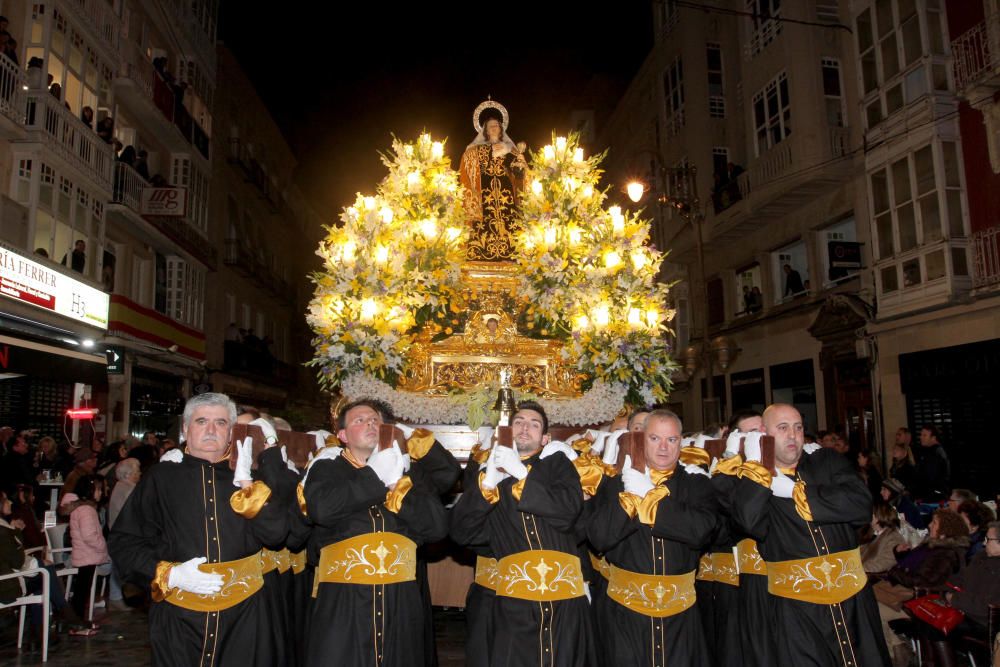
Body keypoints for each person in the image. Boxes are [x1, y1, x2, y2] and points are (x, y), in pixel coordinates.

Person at [110, 392, 295, 666]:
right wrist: (168, 574)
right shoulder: (161, 477)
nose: (211, 430)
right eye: (201, 421)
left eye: (220, 422)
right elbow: (124, 542)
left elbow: (278, 534)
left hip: (246, 613)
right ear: (185, 428)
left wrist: (248, 484)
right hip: (179, 614)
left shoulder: (251, 477)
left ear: (231, 431)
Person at [728, 403, 889, 666]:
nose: (792, 435)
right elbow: (748, 521)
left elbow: (860, 504)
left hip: (854, 601)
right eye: (782, 428)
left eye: (798, 427)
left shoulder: (826, 461)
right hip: (796, 611)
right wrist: (760, 467)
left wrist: (794, 492)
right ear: (763, 434)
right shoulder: (752, 481)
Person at [301, 398, 449, 666]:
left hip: (400, 598)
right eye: (360, 420)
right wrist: (373, 475)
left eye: (375, 420)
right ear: (343, 435)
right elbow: (322, 509)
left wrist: (396, 484)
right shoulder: (327, 467)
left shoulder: (406, 472)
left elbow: (437, 527)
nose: (370, 423)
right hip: (344, 598)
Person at [451, 400, 594, 666]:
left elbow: (568, 513)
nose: (525, 428)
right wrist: (488, 486)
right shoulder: (490, 474)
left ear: (545, 438)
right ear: (506, 431)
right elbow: (462, 532)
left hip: (566, 601)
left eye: (534, 424)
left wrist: (521, 474)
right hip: (513, 602)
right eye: (518, 422)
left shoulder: (558, 465)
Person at [588, 409, 718, 666]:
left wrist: (648, 495)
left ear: (681, 442)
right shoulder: (616, 483)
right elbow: (599, 538)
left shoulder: (697, 483)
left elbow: (701, 531)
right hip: (625, 616)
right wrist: (629, 498)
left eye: (671, 440)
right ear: (640, 439)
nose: (663, 447)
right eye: (655, 438)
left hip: (681, 617)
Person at [459, 100, 528, 261]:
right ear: (486, 131)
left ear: (501, 128)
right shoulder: (478, 149)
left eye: (497, 125)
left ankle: (512, 254)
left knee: (509, 222)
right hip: (486, 193)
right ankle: (482, 254)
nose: (494, 128)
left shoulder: (510, 149)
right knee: (486, 222)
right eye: (491, 126)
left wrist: (520, 164)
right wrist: (492, 150)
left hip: (506, 194)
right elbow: (467, 159)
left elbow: (519, 174)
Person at [66, 474, 108, 622]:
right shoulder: (86, 510)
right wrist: (103, 545)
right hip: (87, 554)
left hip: (85, 554)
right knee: (82, 591)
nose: (100, 492)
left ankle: (78, 620)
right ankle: (77, 621)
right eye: (97, 489)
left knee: (82, 589)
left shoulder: (82, 509)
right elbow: (89, 535)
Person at [861, 502, 905, 574]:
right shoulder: (872, 531)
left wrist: (856, 569)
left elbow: (883, 564)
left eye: (870, 513)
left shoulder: (894, 538)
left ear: (877, 518)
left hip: (870, 577)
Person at [912, 425, 950, 502]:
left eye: (925, 435)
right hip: (930, 496)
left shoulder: (935, 453)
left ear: (933, 437)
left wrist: (921, 495)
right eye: (921, 435)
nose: (921, 437)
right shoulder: (929, 451)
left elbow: (929, 478)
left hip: (933, 498)